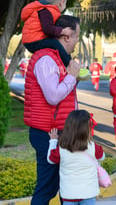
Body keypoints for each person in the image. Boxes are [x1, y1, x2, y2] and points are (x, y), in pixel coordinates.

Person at [24, 15, 81, 205]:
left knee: (66, 187)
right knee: (47, 187)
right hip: (48, 134)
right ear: (67, 36)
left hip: (60, 132)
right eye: (76, 37)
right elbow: (53, 96)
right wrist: (71, 77)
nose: (76, 42)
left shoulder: (57, 58)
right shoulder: (46, 59)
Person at [47, 109, 105, 205]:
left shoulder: (61, 149)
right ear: (88, 129)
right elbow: (102, 157)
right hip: (89, 193)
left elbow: (50, 160)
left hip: (69, 194)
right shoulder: (94, 147)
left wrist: (53, 141)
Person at [21, 0, 73, 67]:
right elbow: (47, 28)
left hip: (34, 39)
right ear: (61, 2)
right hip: (33, 41)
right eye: (65, 3)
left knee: (58, 43)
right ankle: (71, 66)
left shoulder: (49, 10)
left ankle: (64, 66)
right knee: (55, 44)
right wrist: (63, 31)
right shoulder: (46, 11)